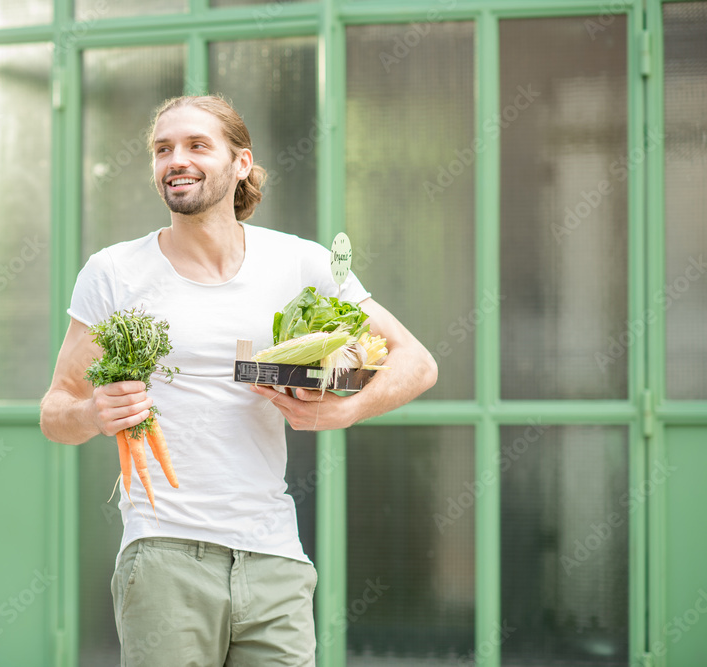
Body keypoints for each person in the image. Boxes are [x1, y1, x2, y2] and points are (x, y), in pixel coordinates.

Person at [40, 94, 437, 666]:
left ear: (242, 163)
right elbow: (57, 410)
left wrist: (344, 409)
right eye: (162, 149)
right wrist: (92, 412)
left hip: (273, 554)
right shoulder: (114, 273)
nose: (176, 159)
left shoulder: (301, 263)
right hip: (163, 551)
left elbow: (415, 362)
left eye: (197, 145)